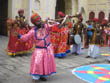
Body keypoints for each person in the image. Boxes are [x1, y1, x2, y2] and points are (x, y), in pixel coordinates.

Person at [16, 12, 56, 81]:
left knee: (45, 63)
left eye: (40, 20)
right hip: (39, 51)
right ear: (34, 23)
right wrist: (19, 36)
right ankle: (35, 78)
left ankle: (42, 75)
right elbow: (26, 37)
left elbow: (55, 25)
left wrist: (52, 21)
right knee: (37, 64)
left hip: (47, 49)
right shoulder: (32, 31)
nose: (40, 21)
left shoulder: (46, 26)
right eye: (37, 21)